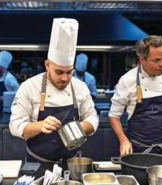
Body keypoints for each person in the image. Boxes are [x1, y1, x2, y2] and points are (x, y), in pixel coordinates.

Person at [9, 18, 99, 163]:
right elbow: (15, 126)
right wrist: (40, 125)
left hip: (73, 164)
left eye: (69, 72)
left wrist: (81, 126)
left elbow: (92, 118)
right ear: (47, 65)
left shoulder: (80, 87)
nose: (64, 78)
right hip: (38, 163)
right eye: (59, 72)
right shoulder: (29, 87)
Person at [109, 35, 162, 161]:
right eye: (156, 60)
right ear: (142, 60)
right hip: (137, 150)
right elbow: (114, 115)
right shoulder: (127, 80)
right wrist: (123, 139)